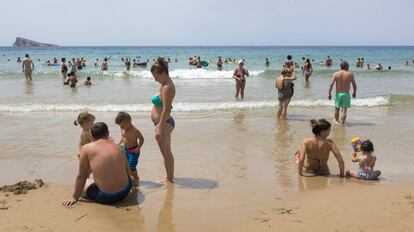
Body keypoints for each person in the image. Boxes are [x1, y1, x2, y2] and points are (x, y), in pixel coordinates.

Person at [61, 122, 132, 207]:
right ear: (108, 133)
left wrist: (74, 198)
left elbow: (81, 176)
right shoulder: (118, 147)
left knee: (83, 183)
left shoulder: (86, 148)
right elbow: (128, 170)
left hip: (107, 197)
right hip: (125, 191)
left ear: (91, 135)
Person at [150, 58, 176, 183]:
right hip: (161, 122)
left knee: (166, 153)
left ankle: (170, 179)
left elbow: (166, 109)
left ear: (162, 73)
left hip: (164, 123)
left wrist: (159, 127)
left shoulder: (167, 87)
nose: (155, 80)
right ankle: (168, 177)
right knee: (165, 152)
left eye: (156, 76)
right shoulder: (163, 85)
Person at [115, 112, 144, 186]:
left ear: (129, 121)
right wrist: (119, 144)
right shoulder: (122, 128)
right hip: (125, 149)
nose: (121, 127)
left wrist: (138, 147)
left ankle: (136, 178)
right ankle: (129, 179)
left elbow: (141, 139)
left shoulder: (135, 130)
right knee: (125, 165)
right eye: (120, 126)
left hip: (133, 151)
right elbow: (123, 137)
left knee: (131, 166)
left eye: (123, 125)